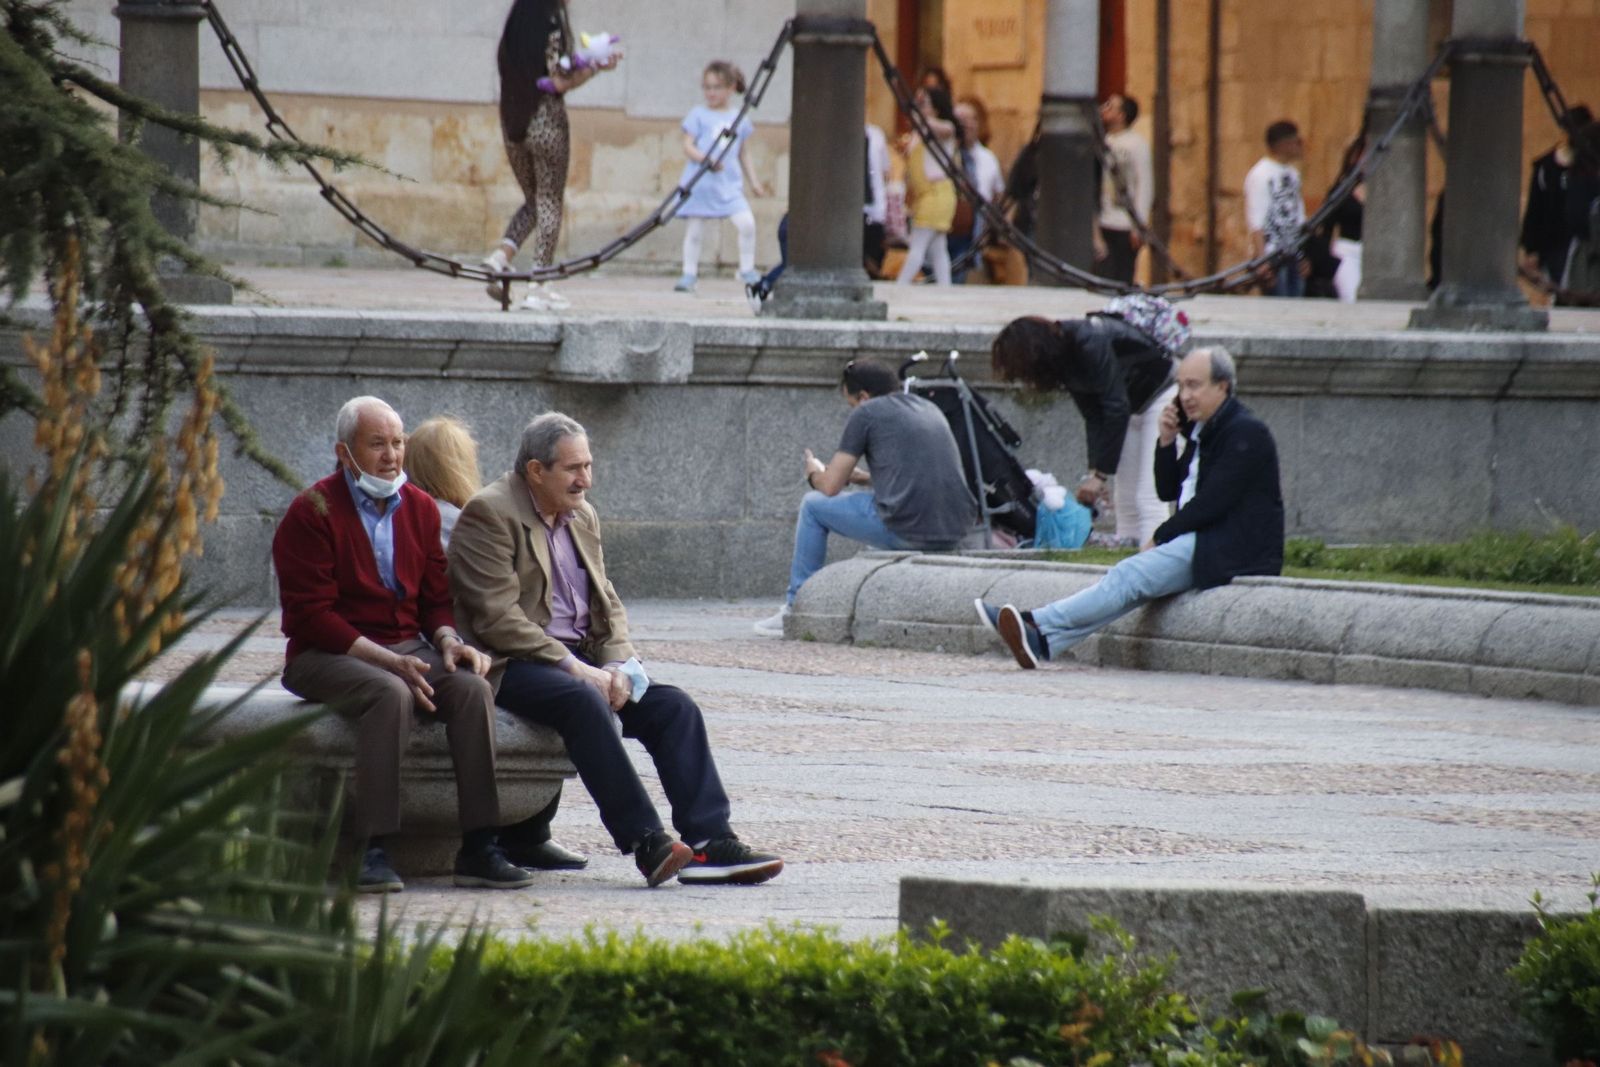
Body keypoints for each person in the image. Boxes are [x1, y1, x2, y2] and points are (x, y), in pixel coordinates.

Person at [448, 413, 785, 887]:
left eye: (588, 465)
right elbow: (496, 619)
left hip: (582, 658)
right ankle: (647, 841)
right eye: (572, 469)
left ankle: (710, 844)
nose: (584, 479)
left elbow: (607, 602)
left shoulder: (582, 514)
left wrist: (618, 664)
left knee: (674, 708)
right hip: (513, 663)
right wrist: (576, 669)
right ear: (535, 471)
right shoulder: (490, 513)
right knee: (582, 699)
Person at [271, 397, 533, 893]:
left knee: (473, 689)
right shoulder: (313, 511)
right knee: (390, 693)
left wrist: (450, 642)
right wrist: (390, 661)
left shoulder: (418, 508)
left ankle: (480, 846)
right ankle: (372, 849)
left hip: (405, 648)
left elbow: (435, 600)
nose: (391, 455)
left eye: (398, 443)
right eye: (377, 444)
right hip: (324, 655)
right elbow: (310, 617)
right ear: (345, 454)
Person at [975, 347, 1283, 670]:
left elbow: (1213, 502)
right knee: (1132, 586)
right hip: (1206, 540)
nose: (1185, 395)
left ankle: (1034, 621)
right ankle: (1043, 640)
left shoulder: (1246, 431)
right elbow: (1168, 490)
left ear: (1223, 386)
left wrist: (1160, 536)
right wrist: (1166, 441)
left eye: (1195, 385)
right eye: (1181, 386)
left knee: (1128, 575)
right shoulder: (1202, 429)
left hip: (1233, 547)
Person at [403, 416, 587, 872]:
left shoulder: (453, 512)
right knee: (562, 682)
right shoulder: (460, 518)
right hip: (467, 648)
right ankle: (500, 839)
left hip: (463, 643)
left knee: (562, 669)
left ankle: (523, 835)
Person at [755, 358, 977, 636]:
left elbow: (830, 487)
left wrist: (813, 473)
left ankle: (796, 609)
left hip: (908, 528)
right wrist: (864, 477)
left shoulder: (867, 412)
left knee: (812, 506)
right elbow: (921, 473)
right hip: (956, 528)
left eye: (851, 403)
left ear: (863, 396)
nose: (853, 410)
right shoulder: (927, 407)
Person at [482, 0, 623, 312]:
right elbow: (559, 80)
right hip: (546, 120)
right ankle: (539, 284)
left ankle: (499, 258)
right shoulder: (551, 23)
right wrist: (597, 67)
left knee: (534, 199)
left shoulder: (515, 27)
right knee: (549, 200)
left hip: (513, 120)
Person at [990, 314, 1177, 548]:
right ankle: (1129, 553)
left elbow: (1115, 406)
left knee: (1148, 496)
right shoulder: (1064, 359)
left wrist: (1100, 476)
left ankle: (1154, 561)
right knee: (1126, 498)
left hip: (1161, 395)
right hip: (1130, 406)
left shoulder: (1090, 341)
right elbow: (1093, 415)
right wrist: (1094, 471)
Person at [744, 122, 891, 312]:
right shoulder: (829, 178)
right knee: (797, 266)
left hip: (794, 226)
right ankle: (761, 288)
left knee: (795, 266)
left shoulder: (869, 139)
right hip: (795, 228)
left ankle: (762, 287)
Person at [674, 60, 768, 294]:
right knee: (695, 231)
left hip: (727, 185)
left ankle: (746, 268)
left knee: (746, 223)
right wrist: (705, 159)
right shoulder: (698, 115)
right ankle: (689, 273)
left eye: (716, 87)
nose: (711, 93)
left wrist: (754, 181)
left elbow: (743, 152)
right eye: (707, 87)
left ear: (729, 89)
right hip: (701, 183)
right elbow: (688, 145)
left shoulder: (739, 118)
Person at [1521, 104, 1595, 299]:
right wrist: (1531, 248)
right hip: (1556, 243)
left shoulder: (1590, 167)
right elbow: (1536, 208)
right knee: (1565, 290)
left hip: (1584, 242)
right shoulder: (1547, 167)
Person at [895, 86, 960, 286]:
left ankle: (901, 286)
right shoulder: (918, 132)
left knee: (918, 245)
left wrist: (919, 113)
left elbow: (947, 129)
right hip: (926, 195)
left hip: (937, 194)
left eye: (926, 105)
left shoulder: (944, 128)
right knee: (938, 248)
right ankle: (944, 288)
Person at [1094, 93, 1153, 286]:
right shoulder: (1104, 142)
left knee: (1122, 276)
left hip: (1125, 224)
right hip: (1104, 220)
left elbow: (1144, 183)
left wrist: (1139, 224)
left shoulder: (1137, 145)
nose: (1105, 110)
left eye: (1111, 107)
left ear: (1121, 115)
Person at [1243, 120, 1308, 297]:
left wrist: (1304, 256)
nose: (1301, 147)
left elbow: (1299, 218)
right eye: (1298, 142)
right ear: (1284, 144)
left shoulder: (1293, 175)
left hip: (1293, 253)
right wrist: (1262, 261)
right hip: (1273, 255)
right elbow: (1257, 221)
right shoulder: (1261, 175)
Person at [948, 97, 1005, 284]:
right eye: (959, 120)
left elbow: (998, 195)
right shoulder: (943, 154)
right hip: (944, 228)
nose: (965, 125)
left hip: (973, 233)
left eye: (969, 119)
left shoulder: (988, 159)